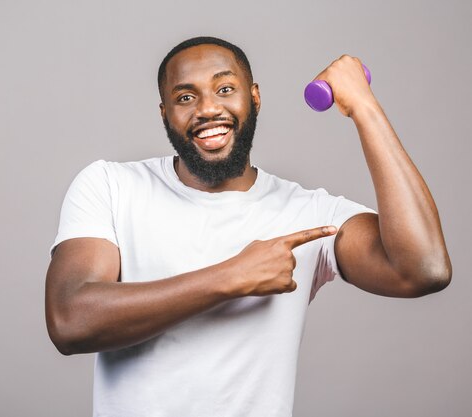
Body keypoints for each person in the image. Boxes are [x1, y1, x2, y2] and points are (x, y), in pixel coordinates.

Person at [45, 36, 451, 416]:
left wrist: (364, 107)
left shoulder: (309, 213)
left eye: (225, 89)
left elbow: (424, 270)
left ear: (254, 98)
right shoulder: (111, 186)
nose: (207, 108)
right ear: (164, 113)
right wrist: (230, 277)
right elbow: (70, 321)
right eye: (185, 97)